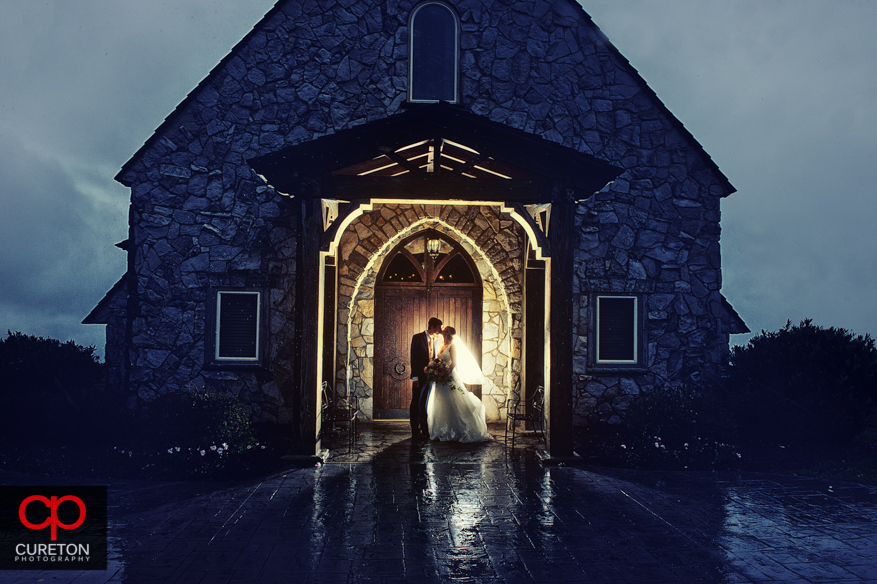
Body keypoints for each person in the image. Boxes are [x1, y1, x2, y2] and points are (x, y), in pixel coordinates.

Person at [426, 326, 492, 443]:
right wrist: (435, 369)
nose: (441, 330)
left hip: (448, 378)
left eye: (444, 329)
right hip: (440, 380)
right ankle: (442, 430)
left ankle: (457, 430)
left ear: (447, 333)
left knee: (452, 402)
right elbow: (437, 361)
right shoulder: (441, 346)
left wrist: (445, 373)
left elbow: (454, 363)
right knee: (441, 403)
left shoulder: (453, 346)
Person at [410, 317, 442, 439]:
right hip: (419, 377)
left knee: (425, 403)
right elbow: (413, 358)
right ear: (432, 327)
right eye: (438, 327)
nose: (440, 329)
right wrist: (415, 378)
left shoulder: (436, 340)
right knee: (416, 402)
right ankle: (415, 429)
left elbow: (433, 358)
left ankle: (424, 428)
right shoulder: (417, 337)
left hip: (430, 377)